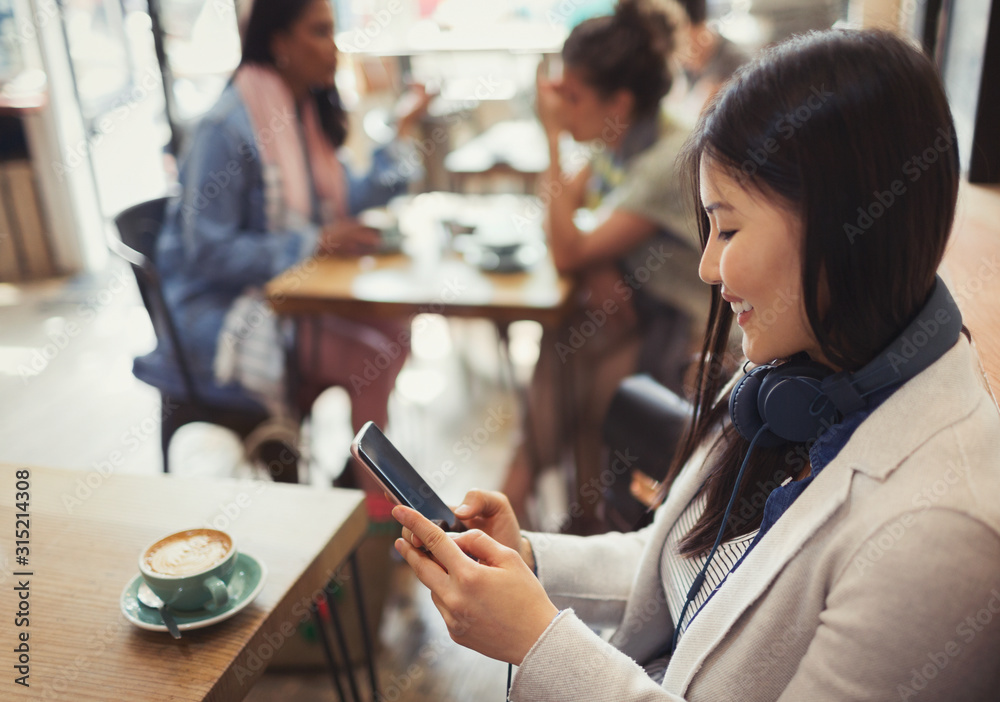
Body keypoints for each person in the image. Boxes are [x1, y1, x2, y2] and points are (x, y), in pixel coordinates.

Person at [391, 29, 1000, 700]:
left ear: (849, 226)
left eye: (730, 229)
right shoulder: (802, 365)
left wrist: (540, 644)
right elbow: (672, 570)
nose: (709, 266)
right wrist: (530, 559)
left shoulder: (943, 534)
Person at [151, 0, 429, 484]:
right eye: (320, 32)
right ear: (279, 42)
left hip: (287, 296)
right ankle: (373, 506)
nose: (334, 47)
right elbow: (207, 253)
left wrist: (402, 130)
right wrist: (315, 241)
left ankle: (355, 482)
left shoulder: (299, 109)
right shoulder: (227, 127)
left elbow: (347, 198)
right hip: (224, 313)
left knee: (395, 329)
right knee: (372, 354)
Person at [504, 0, 711, 528]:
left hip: (683, 333)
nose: (558, 105)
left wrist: (551, 139)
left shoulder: (666, 155)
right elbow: (568, 226)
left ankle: (532, 509)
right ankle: (545, 515)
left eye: (570, 96)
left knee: (573, 382)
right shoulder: (619, 139)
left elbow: (566, 245)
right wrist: (599, 267)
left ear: (618, 102)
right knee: (563, 360)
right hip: (632, 317)